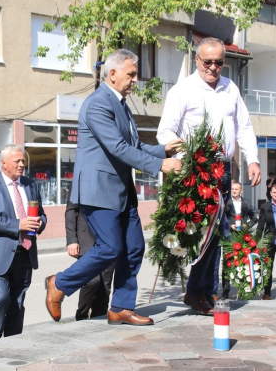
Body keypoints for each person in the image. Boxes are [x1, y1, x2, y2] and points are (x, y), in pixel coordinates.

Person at [45, 49, 183, 326]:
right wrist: (160, 166)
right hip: (99, 190)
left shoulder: (121, 104)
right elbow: (117, 148)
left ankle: (120, 307)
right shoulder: (98, 104)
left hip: (122, 191)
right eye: (131, 74)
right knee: (109, 248)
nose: (135, 80)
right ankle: (59, 283)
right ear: (113, 74)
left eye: (135, 75)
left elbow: (133, 145)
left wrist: (161, 150)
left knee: (133, 248)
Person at [157, 37, 261, 315]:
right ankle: (197, 291)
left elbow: (244, 127)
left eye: (218, 62)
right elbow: (165, 133)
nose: (213, 67)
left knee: (217, 232)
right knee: (205, 233)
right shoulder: (183, 90)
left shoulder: (231, 89)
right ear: (196, 60)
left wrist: (253, 160)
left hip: (223, 170)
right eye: (208, 62)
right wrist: (186, 158)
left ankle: (203, 290)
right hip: (196, 171)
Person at [0, 143, 47, 341]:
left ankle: (13, 342)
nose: (22, 164)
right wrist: (18, 224)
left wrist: (39, 223)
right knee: (1, 298)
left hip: (25, 253)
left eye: (23, 160)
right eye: (17, 161)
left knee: (17, 301)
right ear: (4, 163)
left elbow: (41, 214)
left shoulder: (31, 185)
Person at [65, 185, 115, 320]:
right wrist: (72, 240)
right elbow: (71, 211)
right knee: (92, 281)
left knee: (104, 286)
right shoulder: (82, 180)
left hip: (109, 240)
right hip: (85, 239)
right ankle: (81, 315)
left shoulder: (113, 180)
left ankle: (98, 320)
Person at [217, 181, 258, 299]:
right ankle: (226, 290)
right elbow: (222, 217)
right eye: (232, 189)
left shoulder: (247, 203)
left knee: (242, 262)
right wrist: (230, 225)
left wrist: (247, 225)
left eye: (236, 189)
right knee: (227, 263)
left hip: (243, 236)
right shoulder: (226, 202)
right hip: (229, 236)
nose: (234, 191)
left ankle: (242, 289)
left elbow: (254, 218)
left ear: (241, 191)